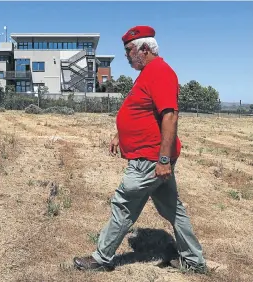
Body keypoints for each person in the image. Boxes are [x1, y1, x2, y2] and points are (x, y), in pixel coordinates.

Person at [73, 25, 207, 273]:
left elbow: (169, 116)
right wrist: (119, 134)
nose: (126, 55)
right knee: (173, 210)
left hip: (151, 159)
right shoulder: (148, 73)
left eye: (128, 50)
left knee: (124, 205)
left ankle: (101, 258)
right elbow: (143, 112)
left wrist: (163, 160)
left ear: (144, 49)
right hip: (154, 157)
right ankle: (194, 261)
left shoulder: (160, 72)